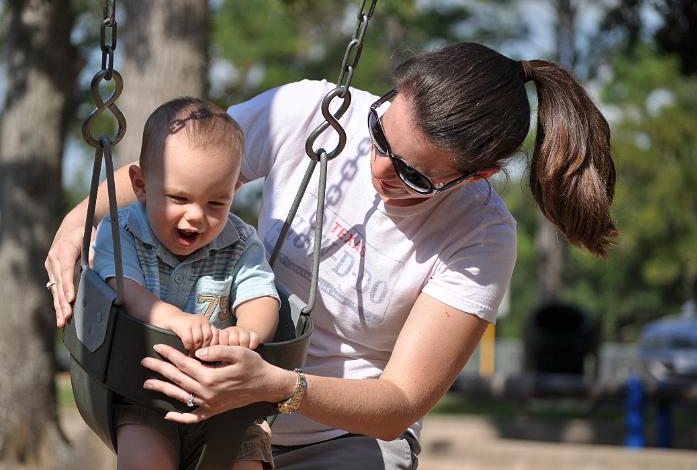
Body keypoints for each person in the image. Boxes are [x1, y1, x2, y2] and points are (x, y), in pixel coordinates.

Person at [46, 42, 618, 469]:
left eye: (413, 174)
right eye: (380, 132)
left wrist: (272, 384)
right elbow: (179, 167)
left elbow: (399, 402)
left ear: (480, 176)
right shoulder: (315, 112)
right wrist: (77, 224)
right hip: (209, 407)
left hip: (343, 439)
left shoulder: (482, 238)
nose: (378, 169)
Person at [91, 97, 280, 470]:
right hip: (145, 393)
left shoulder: (240, 242)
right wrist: (172, 317)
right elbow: (124, 287)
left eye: (216, 203)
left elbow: (262, 295)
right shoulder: (122, 229)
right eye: (180, 198)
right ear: (141, 185)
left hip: (229, 402)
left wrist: (248, 331)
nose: (196, 216)